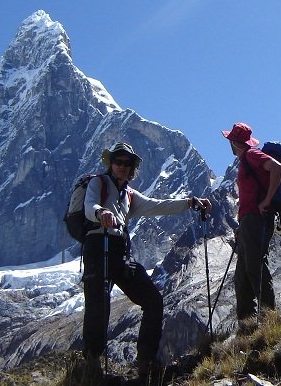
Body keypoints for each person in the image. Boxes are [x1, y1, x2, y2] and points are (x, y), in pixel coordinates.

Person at [82, 142, 211, 382]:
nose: (121, 166)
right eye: (118, 161)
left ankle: (146, 364)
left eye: (126, 163)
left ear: (132, 168)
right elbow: (89, 206)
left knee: (153, 300)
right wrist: (102, 213)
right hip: (97, 248)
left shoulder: (129, 195)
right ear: (110, 163)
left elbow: (158, 206)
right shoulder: (97, 183)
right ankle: (91, 367)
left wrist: (190, 202)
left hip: (119, 251)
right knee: (98, 307)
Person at [222, 123, 281, 321]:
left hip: (256, 218)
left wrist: (266, 201)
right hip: (248, 220)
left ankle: (268, 319)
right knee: (242, 273)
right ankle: (246, 324)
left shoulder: (251, 155)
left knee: (255, 265)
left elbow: (277, 168)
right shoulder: (246, 159)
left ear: (234, 142)